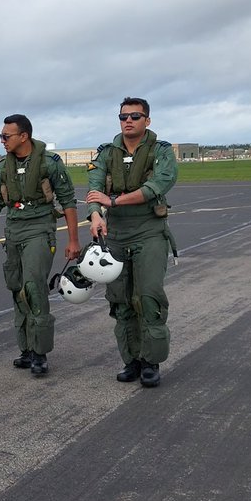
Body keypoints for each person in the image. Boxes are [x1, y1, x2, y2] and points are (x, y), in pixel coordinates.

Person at [85, 97, 178, 388]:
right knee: (120, 301)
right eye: (123, 116)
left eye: (135, 116)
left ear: (147, 121)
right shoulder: (105, 153)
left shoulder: (161, 152)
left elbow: (156, 187)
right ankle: (132, 360)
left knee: (148, 297)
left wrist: (112, 201)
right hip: (115, 233)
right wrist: (95, 215)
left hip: (148, 229)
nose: (128, 121)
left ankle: (151, 362)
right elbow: (94, 188)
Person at [0, 114, 80, 376]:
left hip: (39, 228)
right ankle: (26, 348)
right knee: (17, 288)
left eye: (6, 136)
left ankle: (40, 352)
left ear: (24, 136)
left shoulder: (49, 163)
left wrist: (73, 240)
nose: (2, 140)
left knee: (34, 288)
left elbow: (68, 202)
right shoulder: (2, 167)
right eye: (1, 136)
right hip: (14, 230)